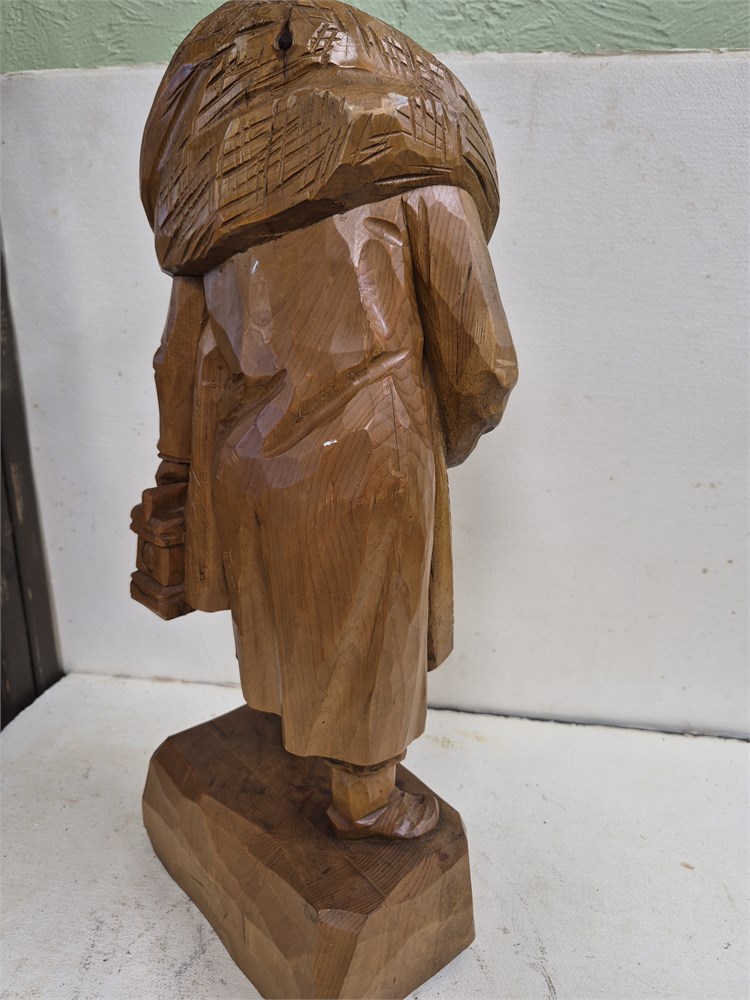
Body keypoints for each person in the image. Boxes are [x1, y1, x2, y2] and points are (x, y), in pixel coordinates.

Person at [132, 0, 517, 840]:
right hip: (370, 456)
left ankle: (309, 746)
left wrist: (179, 468)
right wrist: (434, 442)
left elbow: (177, 361)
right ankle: (366, 802)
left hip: (248, 466)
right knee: (366, 649)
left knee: (291, 626)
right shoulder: (424, 170)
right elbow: (484, 364)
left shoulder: (212, 211)